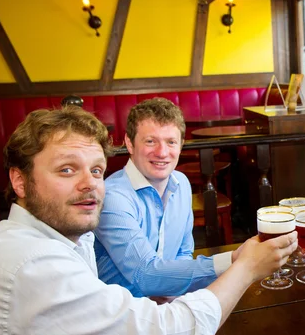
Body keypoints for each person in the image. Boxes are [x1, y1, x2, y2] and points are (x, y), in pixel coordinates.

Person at [0, 106, 297, 335]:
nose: (89, 184)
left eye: (96, 170)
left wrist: (173, 288)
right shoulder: (32, 264)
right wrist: (242, 266)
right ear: (19, 180)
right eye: (66, 169)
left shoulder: (71, 235)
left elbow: (177, 259)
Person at [94, 98, 235, 298]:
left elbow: (183, 255)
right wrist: (234, 261)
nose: (162, 153)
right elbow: (145, 275)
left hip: (168, 306)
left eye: (171, 142)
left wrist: (172, 295)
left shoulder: (182, 184)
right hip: (123, 315)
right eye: (150, 141)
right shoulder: (112, 197)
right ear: (129, 143)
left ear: (181, 145)